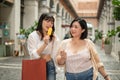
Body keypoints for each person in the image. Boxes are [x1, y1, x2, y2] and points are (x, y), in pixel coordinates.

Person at [27, 13, 59, 80]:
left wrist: (55, 68)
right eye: (47, 21)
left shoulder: (53, 37)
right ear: (41, 21)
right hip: (36, 65)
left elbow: (54, 54)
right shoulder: (32, 36)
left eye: (52, 23)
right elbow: (33, 55)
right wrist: (44, 44)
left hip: (50, 65)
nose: (50, 24)